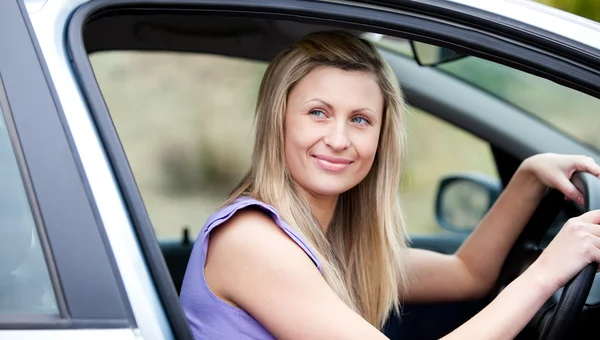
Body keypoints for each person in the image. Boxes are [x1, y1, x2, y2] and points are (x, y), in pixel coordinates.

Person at [179, 30, 600, 339]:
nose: (340, 140)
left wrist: (527, 176)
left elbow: (468, 274)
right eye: (318, 113)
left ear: (381, 138)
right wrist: (548, 270)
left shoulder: (334, 245)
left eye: (360, 119)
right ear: (280, 120)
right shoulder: (252, 241)